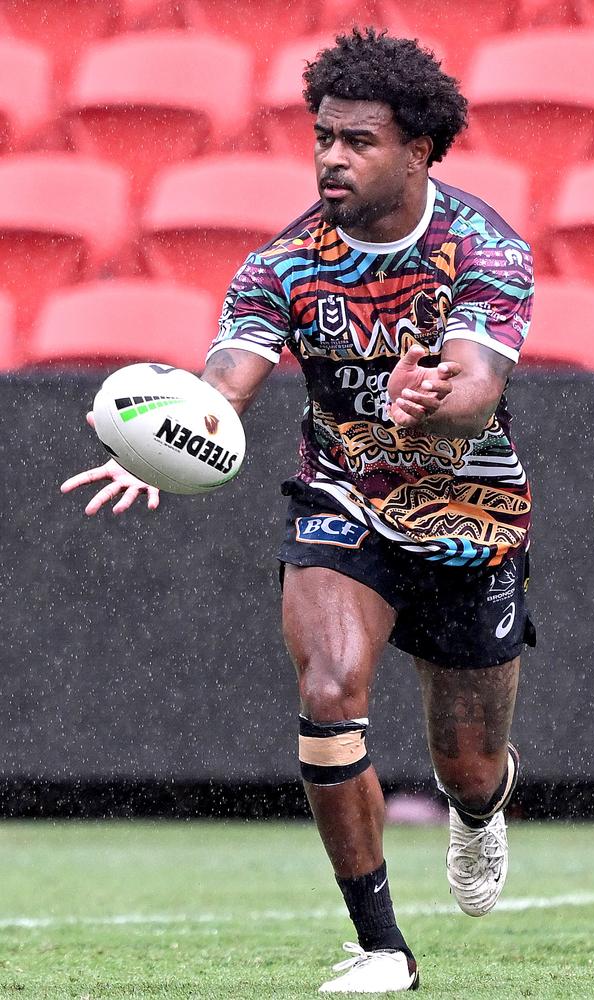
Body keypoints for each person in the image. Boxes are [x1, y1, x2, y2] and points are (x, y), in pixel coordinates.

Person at [62, 28, 536, 994]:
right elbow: (229, 379)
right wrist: (171, 436)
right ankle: (381, 948)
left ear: (419, 150)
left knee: (469, 763)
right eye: (323, 136)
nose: (331, 157)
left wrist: (429, 402)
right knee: (329, 694)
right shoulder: (283, 263)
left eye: (358, 141)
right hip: (342, 500)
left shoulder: (485, 249)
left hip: (470, 515)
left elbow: (478, 390)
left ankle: (480, 811)